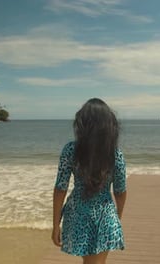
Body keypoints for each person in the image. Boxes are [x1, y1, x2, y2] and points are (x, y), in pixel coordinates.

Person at [52, 98, 127, 264]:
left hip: (77, 214)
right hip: (105, 215)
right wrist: (117, 218)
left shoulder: (71, 150)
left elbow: (60, 188)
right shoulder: (115, 155)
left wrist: (55, 224)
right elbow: (120, 192)